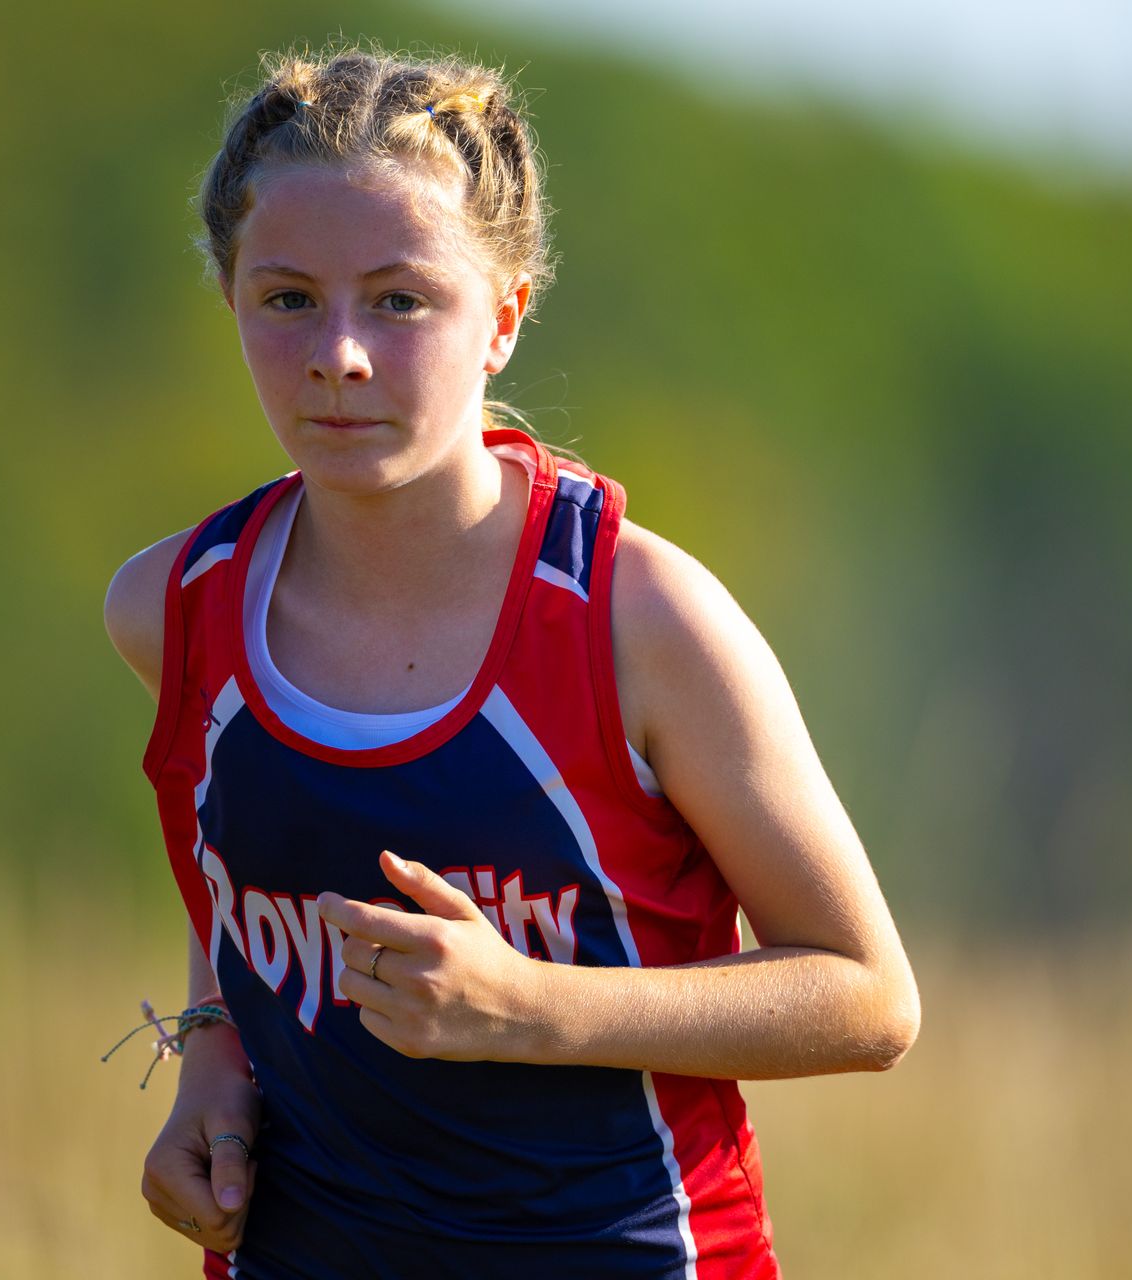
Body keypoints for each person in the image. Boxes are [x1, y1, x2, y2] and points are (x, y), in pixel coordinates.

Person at [103, 44, 920, 1279]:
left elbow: (868, 998)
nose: (341, 354)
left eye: (400, 299)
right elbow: (241, 879)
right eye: (287, 299)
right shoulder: (174, 606)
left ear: (503, 317)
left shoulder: (637, 616)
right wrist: (214, 1050)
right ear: (229, 298)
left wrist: (531, 1006)